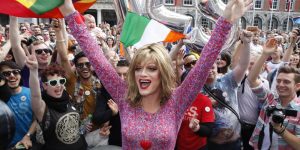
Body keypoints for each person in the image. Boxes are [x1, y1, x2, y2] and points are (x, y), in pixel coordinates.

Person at [58, 0, 252, 148]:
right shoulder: (124, 97)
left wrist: (225, 21)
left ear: (163, 74)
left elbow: (204, 63)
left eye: (152, 69)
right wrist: (70, 14)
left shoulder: (178, 100)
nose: (143, 74)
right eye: (138, 68)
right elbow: (97, 58)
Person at [248, 31, 300, 150]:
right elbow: (251, 80)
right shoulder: (270, 99)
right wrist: (265, 54)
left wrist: (280, 129)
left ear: (297, 86)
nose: (281, 84)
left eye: (286, 82)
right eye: (279, 80)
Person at [26, 55, 87, 150]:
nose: (59, 85)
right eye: (54, 83)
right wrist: (33, 71)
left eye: (61, 81)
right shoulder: (42, 108)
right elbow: (35, 95)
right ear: (45, 86)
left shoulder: (67, 98)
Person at [0, 61, 36, 149]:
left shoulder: (31, 93)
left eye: (16, 72)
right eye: (6, 73)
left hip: (27, 144)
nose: (12, 75)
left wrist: (27, 136)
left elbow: (37, 119)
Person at [177, 69, 215, 150]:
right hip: (179, 146)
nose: (191, 86)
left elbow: (209, 130)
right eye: (188, 82)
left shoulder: (204, 100)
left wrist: (197, 128)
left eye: (195, 82)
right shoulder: (176, 99)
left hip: (199, 147)